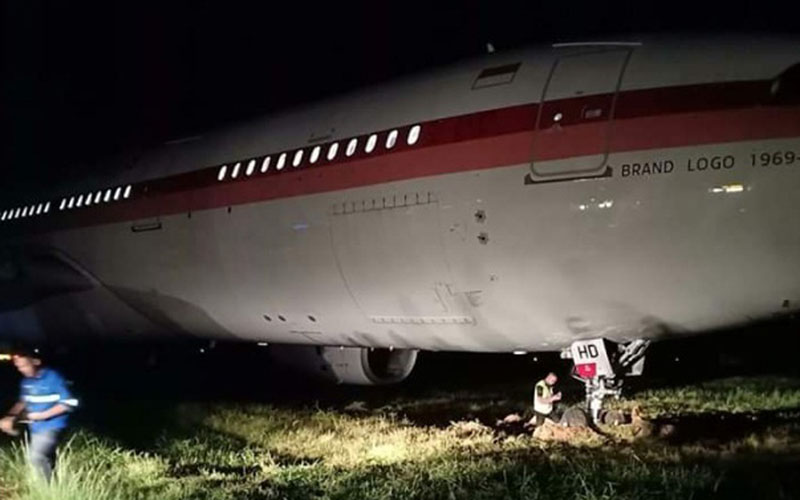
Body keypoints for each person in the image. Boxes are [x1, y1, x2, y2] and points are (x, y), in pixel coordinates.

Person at [0, 350, 78, 480]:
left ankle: (46, 491)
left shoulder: (53, 377)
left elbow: (69, 403)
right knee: (48, 460)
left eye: (24, 365)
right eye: (18, 367)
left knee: (36, 456)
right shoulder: (26, 382)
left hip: (53, 425)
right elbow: (23, 401)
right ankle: (56, 485)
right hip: (36, 427)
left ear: (35, 361)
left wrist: (42, 416)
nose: (21, 370)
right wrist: (11, 416)